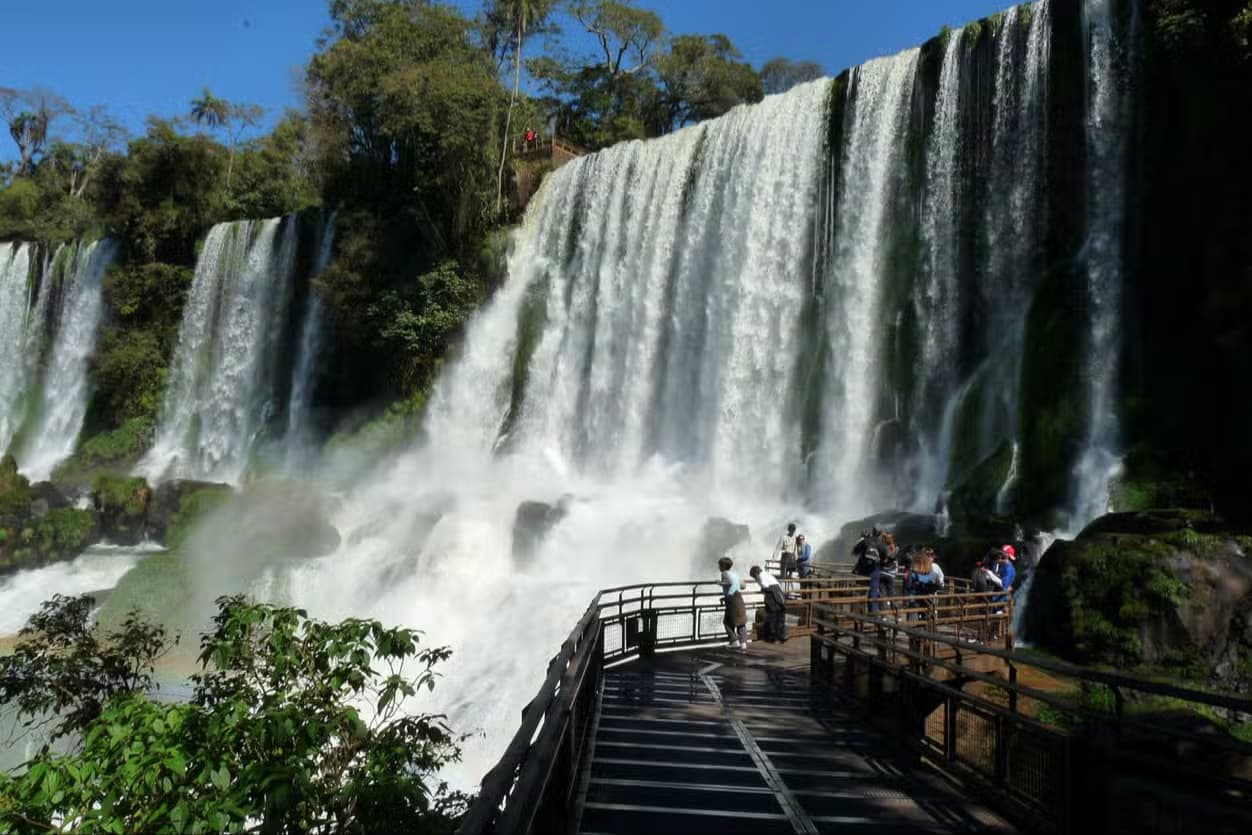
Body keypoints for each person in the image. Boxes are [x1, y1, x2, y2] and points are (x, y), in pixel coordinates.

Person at [750, 565, 787, 642]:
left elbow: (765, 586)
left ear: (756, 574)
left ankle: (772, 637)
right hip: (779, 594)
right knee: (780, 616)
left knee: (772, 616)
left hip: (772, 596)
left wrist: (762, 589)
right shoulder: (767, 574)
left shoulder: (760, 576)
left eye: (754, 577)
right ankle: (781, 635)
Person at [906, 547, 945, 620]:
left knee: (914, 617)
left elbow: (908, 584)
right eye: (929, 555)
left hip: (916, 597)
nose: (931, 557)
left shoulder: (914, 569)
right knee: (928, 616)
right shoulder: (933, 571)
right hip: (927, 597)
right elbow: (940, 584)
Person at [719, 557, 748, 650]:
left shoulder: (724, 573)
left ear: (723, 566)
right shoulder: (735, 574)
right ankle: (743, 643)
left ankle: (734, 641)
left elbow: (728, 583)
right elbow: (743, 586)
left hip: (731, 600)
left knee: (727, 622)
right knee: (741, 622)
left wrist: (720, 583)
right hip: (739, 598)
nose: (719, 567)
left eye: (719, 565)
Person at [874, 534, 900, 612]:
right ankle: (896, 614)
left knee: (882, 594)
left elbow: (878, 560)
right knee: (892, 594)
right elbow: (893, 559)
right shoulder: (894, 548)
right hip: (891, 574)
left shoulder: (881, 548)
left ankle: (883, 614)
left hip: (881, 572)